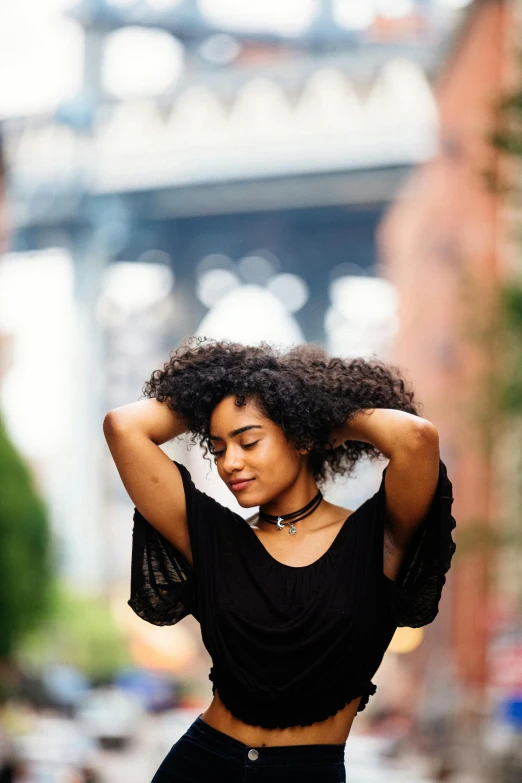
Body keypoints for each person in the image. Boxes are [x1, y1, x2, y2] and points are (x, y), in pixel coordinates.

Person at [103, 337, 457, 782]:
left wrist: (311, 412)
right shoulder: (212, 539)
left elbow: (416, 436)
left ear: (301, 438)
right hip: (203, 765)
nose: (230, 462)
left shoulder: (377, 540)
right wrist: (214, 393)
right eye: (217, 448)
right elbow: (123, 426)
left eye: (248, 441)